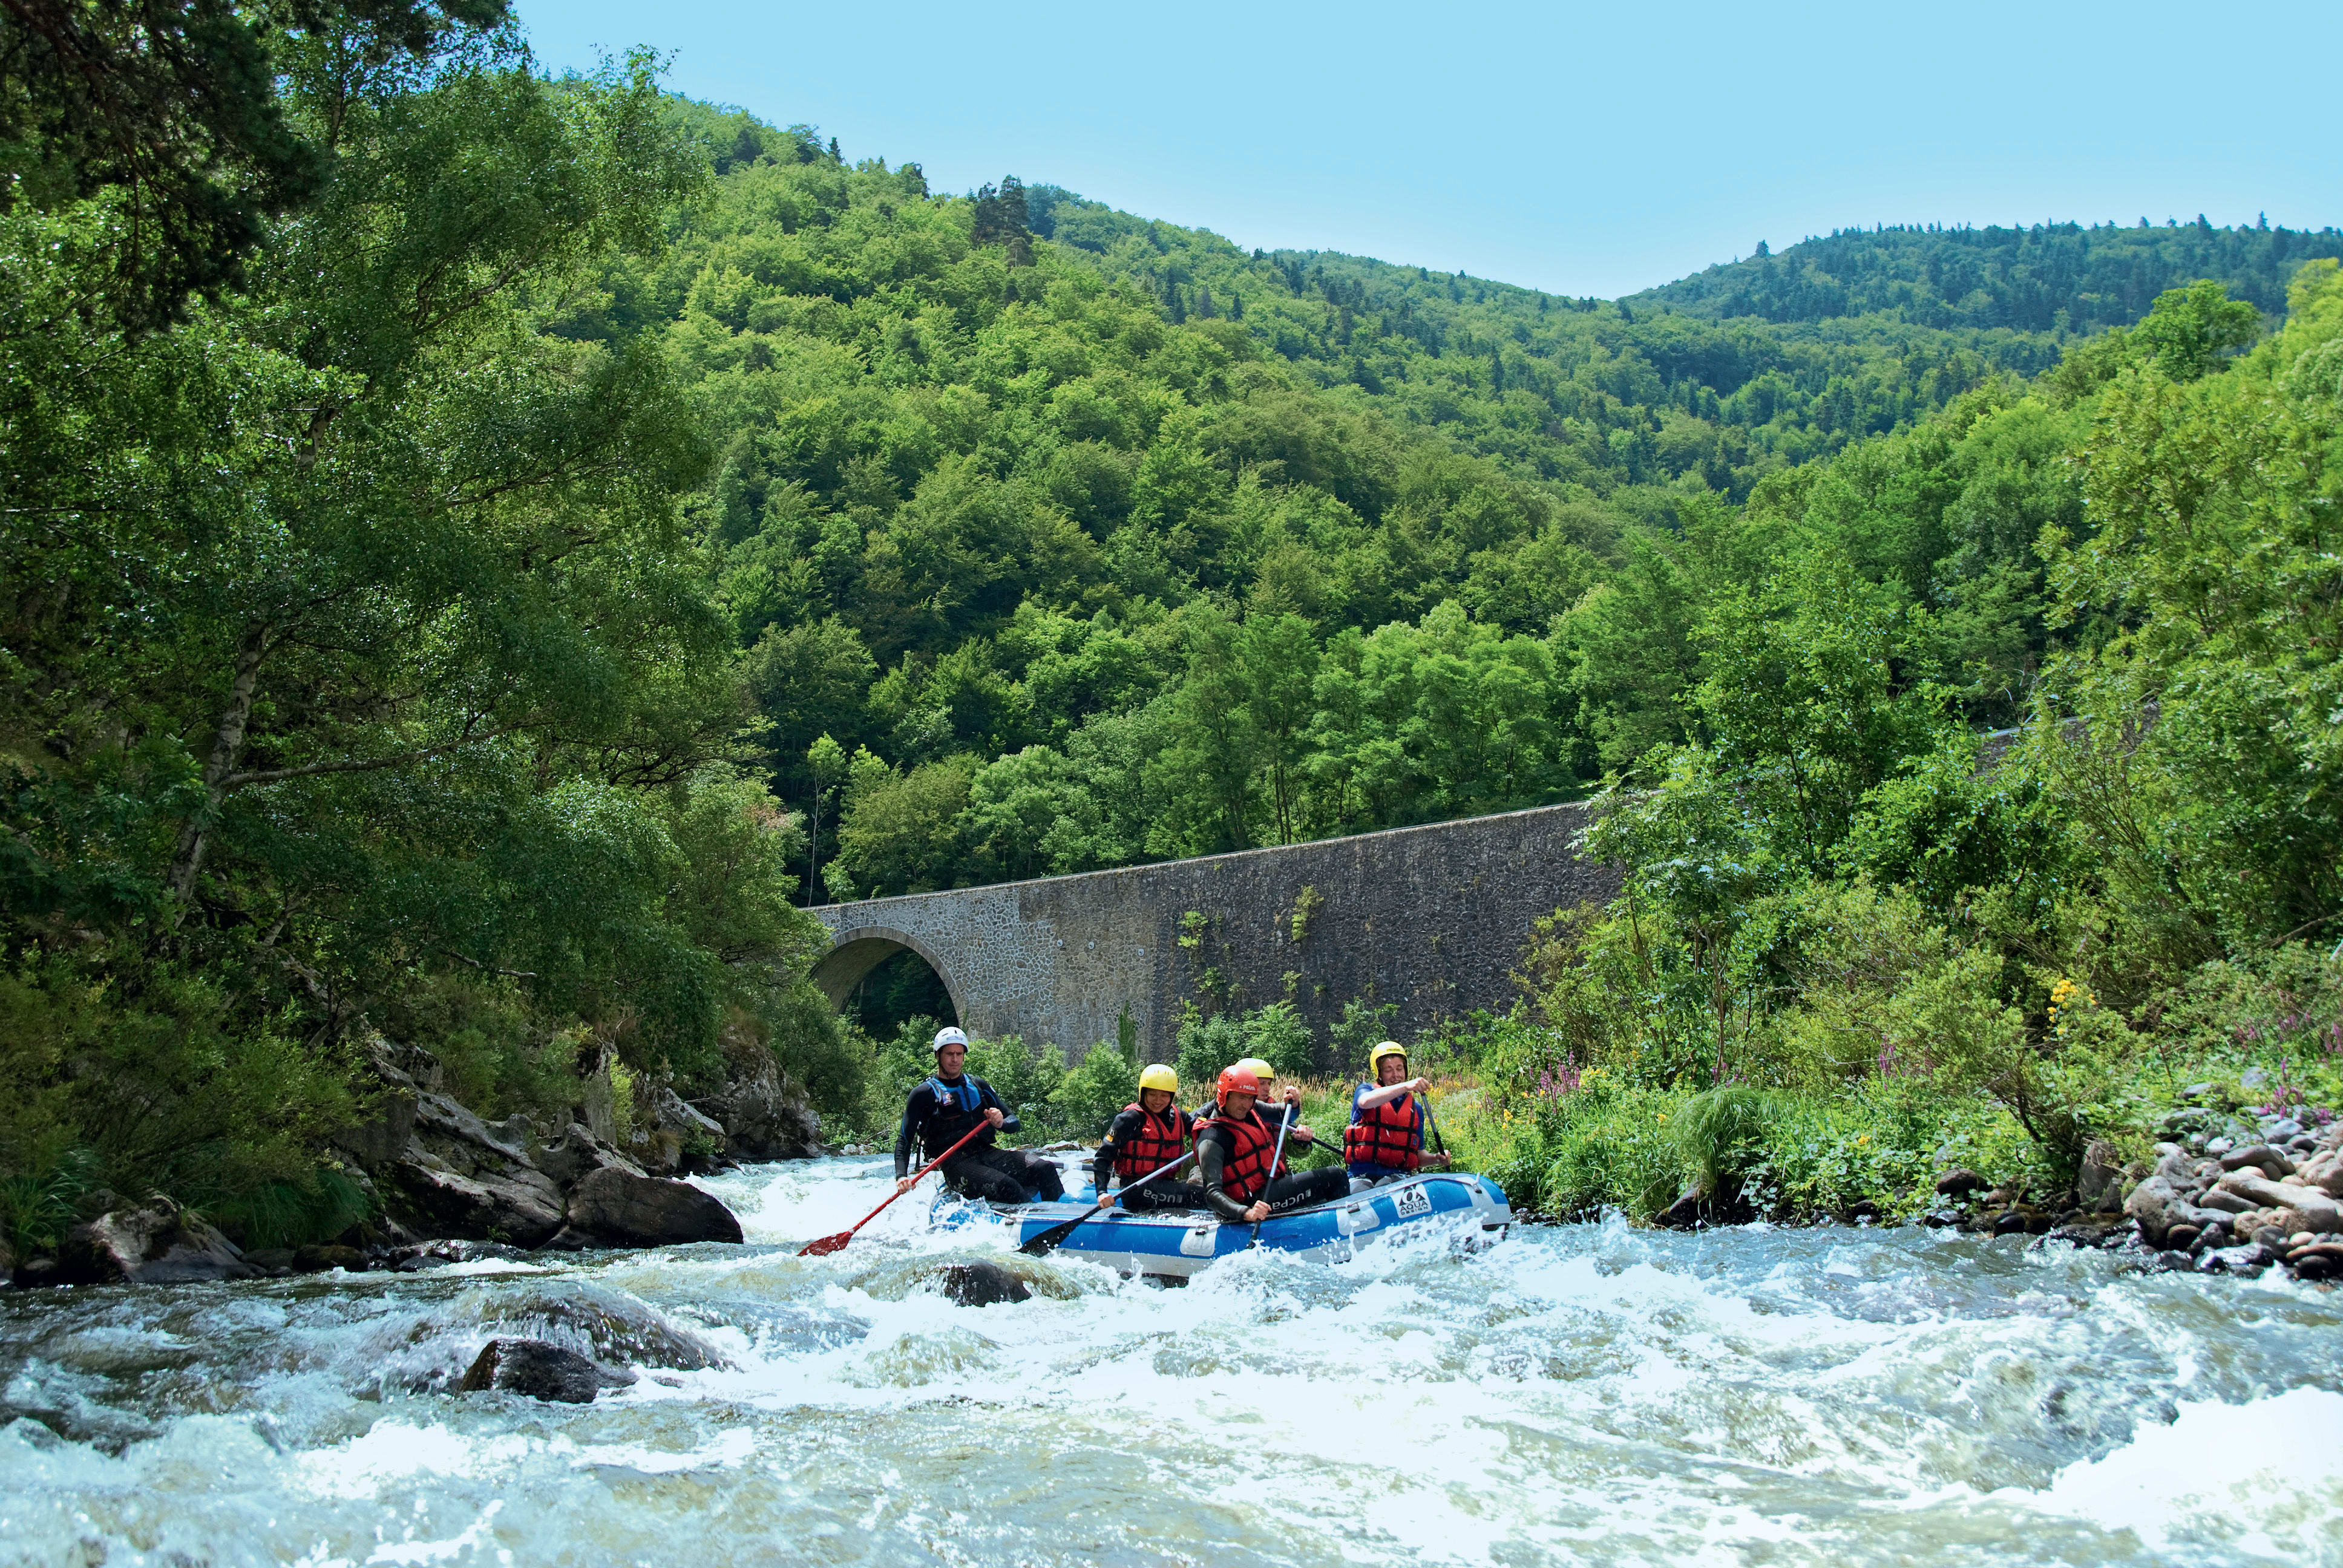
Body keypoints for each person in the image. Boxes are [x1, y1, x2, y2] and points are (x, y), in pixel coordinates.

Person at [893, 1026, 1065, 1204]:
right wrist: (901, 1176)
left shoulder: (978, 1086)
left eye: (959, 1054)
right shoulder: (923, 1094)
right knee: (1008, 1186)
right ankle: (1032, 1215)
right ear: (938, 1055)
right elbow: (904, 1139)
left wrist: (1001, 1123)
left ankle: (1063, 1214)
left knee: (1045, 1168)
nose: (955, 1059)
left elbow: (1014, 1122)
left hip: (987, 1153)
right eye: (949, 1054)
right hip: (955, 1163)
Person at [1195, 1066, 1349, 1225]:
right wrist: (1247, 1213)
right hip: (1251, 1203)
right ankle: (1345, 1226)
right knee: (1336, 1177)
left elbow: (1283, 1112)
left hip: (1270, 1187)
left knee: (1332, 1177)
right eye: (1241, 1097)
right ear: (1224, 1095)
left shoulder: (1251, 1110)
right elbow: (1212, 1195)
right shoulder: (1211, 1139)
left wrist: (1294, 1103)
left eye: (1250, 1098)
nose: (1246, 1105)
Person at [1090, 1063, 1207, 1211]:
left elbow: (1201, 1130)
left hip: (1165, 1186)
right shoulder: (1130, 1118)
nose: (1158, 1101)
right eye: (1152, 1094)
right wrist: (1102, 1192)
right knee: (1204, 1198)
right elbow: (1104, 1156)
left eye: (1164, 1095)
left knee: (1210, 1195)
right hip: (1136, 1189)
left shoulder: (1179, 1117)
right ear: (1143, 1093)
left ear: (1171, 1096)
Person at [1345, 1041, 1450, 1187]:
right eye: (1388, 1070)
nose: (1396, 1075)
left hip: (1399, 1176)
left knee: (1389, 1183)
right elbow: (1365, 1102)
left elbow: (1419, 1157)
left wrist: (1436, 1159)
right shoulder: (1365, 1090)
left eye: (1400, 1069)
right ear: (1379, 1073)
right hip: (1362, 1175)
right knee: (1361, 1189)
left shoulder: (1415, 1109)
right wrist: (1406, 1086)